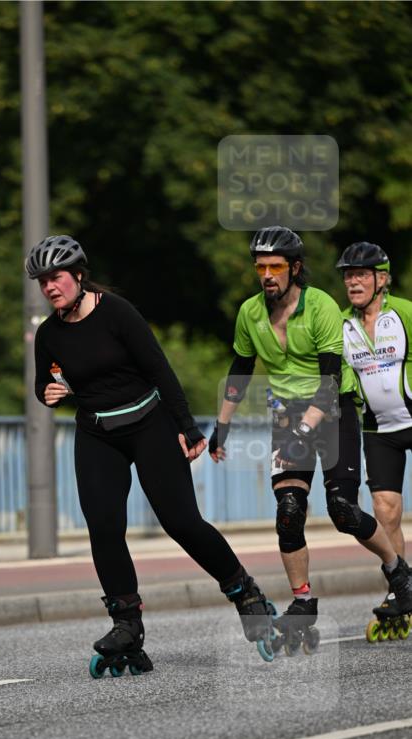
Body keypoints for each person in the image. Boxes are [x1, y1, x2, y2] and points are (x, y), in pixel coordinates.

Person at [27, 233, 275, 671]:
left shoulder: (117, 313)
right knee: (103, 526)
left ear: (79, 275)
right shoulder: (49, 335)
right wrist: (49, 392)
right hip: (98, 432)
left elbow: (159, 367)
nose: (50, 287)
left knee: (180, 521)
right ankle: (126, 624)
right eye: (43, 281)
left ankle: (244, 591)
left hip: (149, 424)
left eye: (57, 277)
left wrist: (187, 426)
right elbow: (43, 385)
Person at [209, 226, 412, 643]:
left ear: (294, 268)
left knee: (343, 510)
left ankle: (399, 572)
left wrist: (305, 428)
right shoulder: (250, 313)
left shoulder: (319, 305)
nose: (266, 274)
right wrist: (222, 426)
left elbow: (331, 378)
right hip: (286, 415)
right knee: (288, 510)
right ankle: (302, 601)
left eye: (275, 266)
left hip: (334, 410)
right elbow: (240, 370)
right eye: (260, 266)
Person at [336, 241, 412, 638]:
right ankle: (402, 591)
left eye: (361, 274)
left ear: (382, 278)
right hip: (378, 429)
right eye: (348, 276)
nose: (353, 282)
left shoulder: (404, 312)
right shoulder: (342, 325)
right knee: (385, 510)